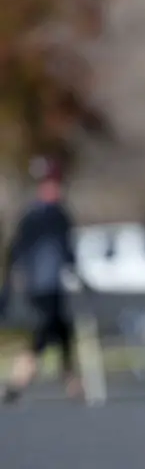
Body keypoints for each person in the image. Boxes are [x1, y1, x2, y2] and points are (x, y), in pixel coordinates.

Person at [0, 157, 84, 403]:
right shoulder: (34, 216)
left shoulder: (60, 214)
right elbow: (17, 251)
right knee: (47, 330)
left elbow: (67, 250)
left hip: (55, 283)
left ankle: (71, 382)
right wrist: (16, 280)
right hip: (39, 285)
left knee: (63, 329)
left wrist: (74, 272)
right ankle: (18, 381)